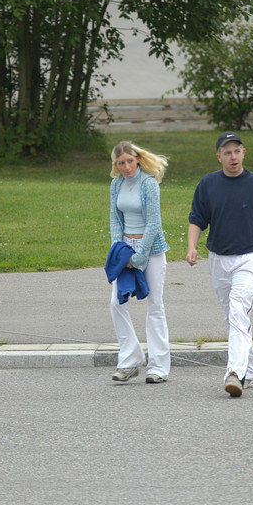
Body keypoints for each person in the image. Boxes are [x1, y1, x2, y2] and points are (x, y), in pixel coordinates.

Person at [186, 131, 253, 398]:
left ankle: (235, 373)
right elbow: (197, 219)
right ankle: (249, 368)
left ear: (244, 153)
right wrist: (192, 246)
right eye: (227, 152)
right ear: (218, 156)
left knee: (237, 310)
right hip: (218, 260)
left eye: (237, 151)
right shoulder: (208, 184)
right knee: (233, 316)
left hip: (248, 259)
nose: (233, 157)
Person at [109, 140, 171, 384]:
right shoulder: (116, 184)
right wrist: (121, 252)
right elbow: (115, 219)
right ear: (115, 165)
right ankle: (130, 359)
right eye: (121, 163)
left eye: (130, 161)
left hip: (151, 250)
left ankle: (159, 367)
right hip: (126, 249)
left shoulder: (148, 183)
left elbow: (154, 223)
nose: (126, 167)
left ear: (137, 159)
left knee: (154, 305)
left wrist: (139, 257)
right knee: (116, 303)